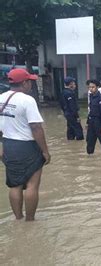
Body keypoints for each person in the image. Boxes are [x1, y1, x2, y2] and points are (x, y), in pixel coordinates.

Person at [0, 69, 51, 221]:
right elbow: (36, 127)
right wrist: (45, 151)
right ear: (24, 83)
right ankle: (30, 220)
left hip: (9, 145)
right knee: (32, 185)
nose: (31, 84)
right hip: (27, 146)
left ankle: (18, 218)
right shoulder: (27, 100)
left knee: (15, 185)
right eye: (30, 81)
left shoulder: (1, 98)